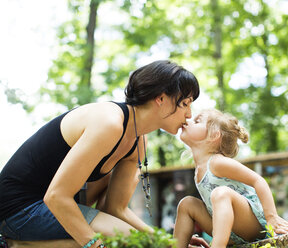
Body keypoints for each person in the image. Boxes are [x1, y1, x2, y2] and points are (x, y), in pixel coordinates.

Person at [0, 60, 200, 248]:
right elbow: (56, 196)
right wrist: (95, 244)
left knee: (137, 240)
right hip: (18, 209)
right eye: (185, 103)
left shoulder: (139, 140)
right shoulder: (109, 122)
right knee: (125, 241)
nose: (189, 114)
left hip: (54, 207)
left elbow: (116, 208)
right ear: (161, 98)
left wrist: (167, 242)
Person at [174, 109, 288, 248]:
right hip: (229, 231)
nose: (188, 121)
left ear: (214, 135)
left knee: (221, 193)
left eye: (197, 121)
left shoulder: (217, 162)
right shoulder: (198, 169)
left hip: (252, 225)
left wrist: (271, 217)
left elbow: (258, 180)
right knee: (187, 204)